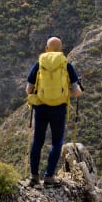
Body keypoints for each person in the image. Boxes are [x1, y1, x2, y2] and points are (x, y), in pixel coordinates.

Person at [25, 36, 82, 186]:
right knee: (57, 142)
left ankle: (34, 177)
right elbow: (76, 92)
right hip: (59, 109)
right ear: (61, 50)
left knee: (38, 141)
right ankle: (49, 177)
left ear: (46, 49)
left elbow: (28, 89)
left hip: (41, 108)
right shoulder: (66, 65)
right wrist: (67, 92)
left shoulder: (39, 64)